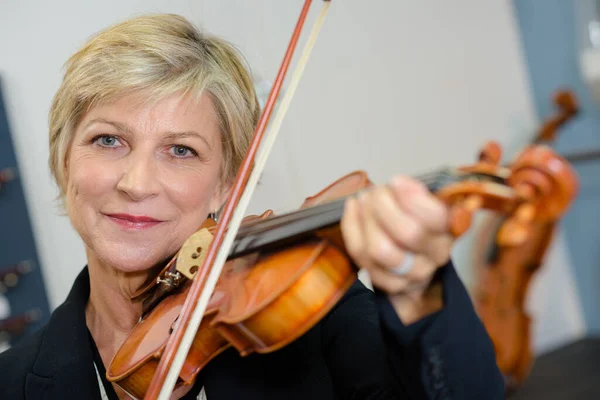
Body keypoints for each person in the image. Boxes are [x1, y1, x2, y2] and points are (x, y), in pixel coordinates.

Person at [0, 13, 504, 400]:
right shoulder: (11, 382)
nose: (137, 183)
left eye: (181, 150)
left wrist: (419, 288)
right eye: (108, 140)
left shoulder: (311, 321)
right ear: (64, 161)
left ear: (227, 185)